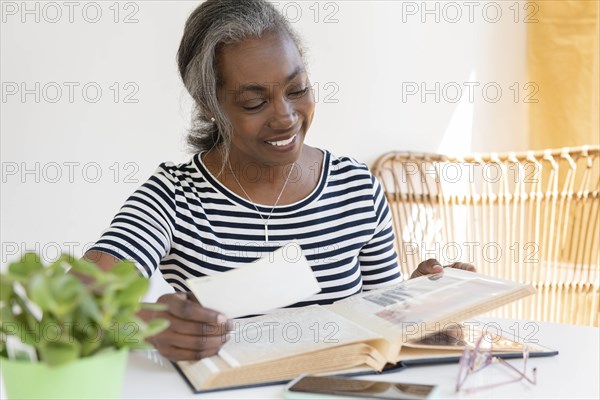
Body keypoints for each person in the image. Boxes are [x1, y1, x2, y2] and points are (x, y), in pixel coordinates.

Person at [84, 0, 475, 362]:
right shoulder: (174, 197)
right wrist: (141, 323)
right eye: (254, 102)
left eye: (297, 89)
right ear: (209, 105)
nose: (285, 116)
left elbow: (381, 324)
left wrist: (429, 310)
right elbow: (70, 303)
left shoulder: (356, 188)